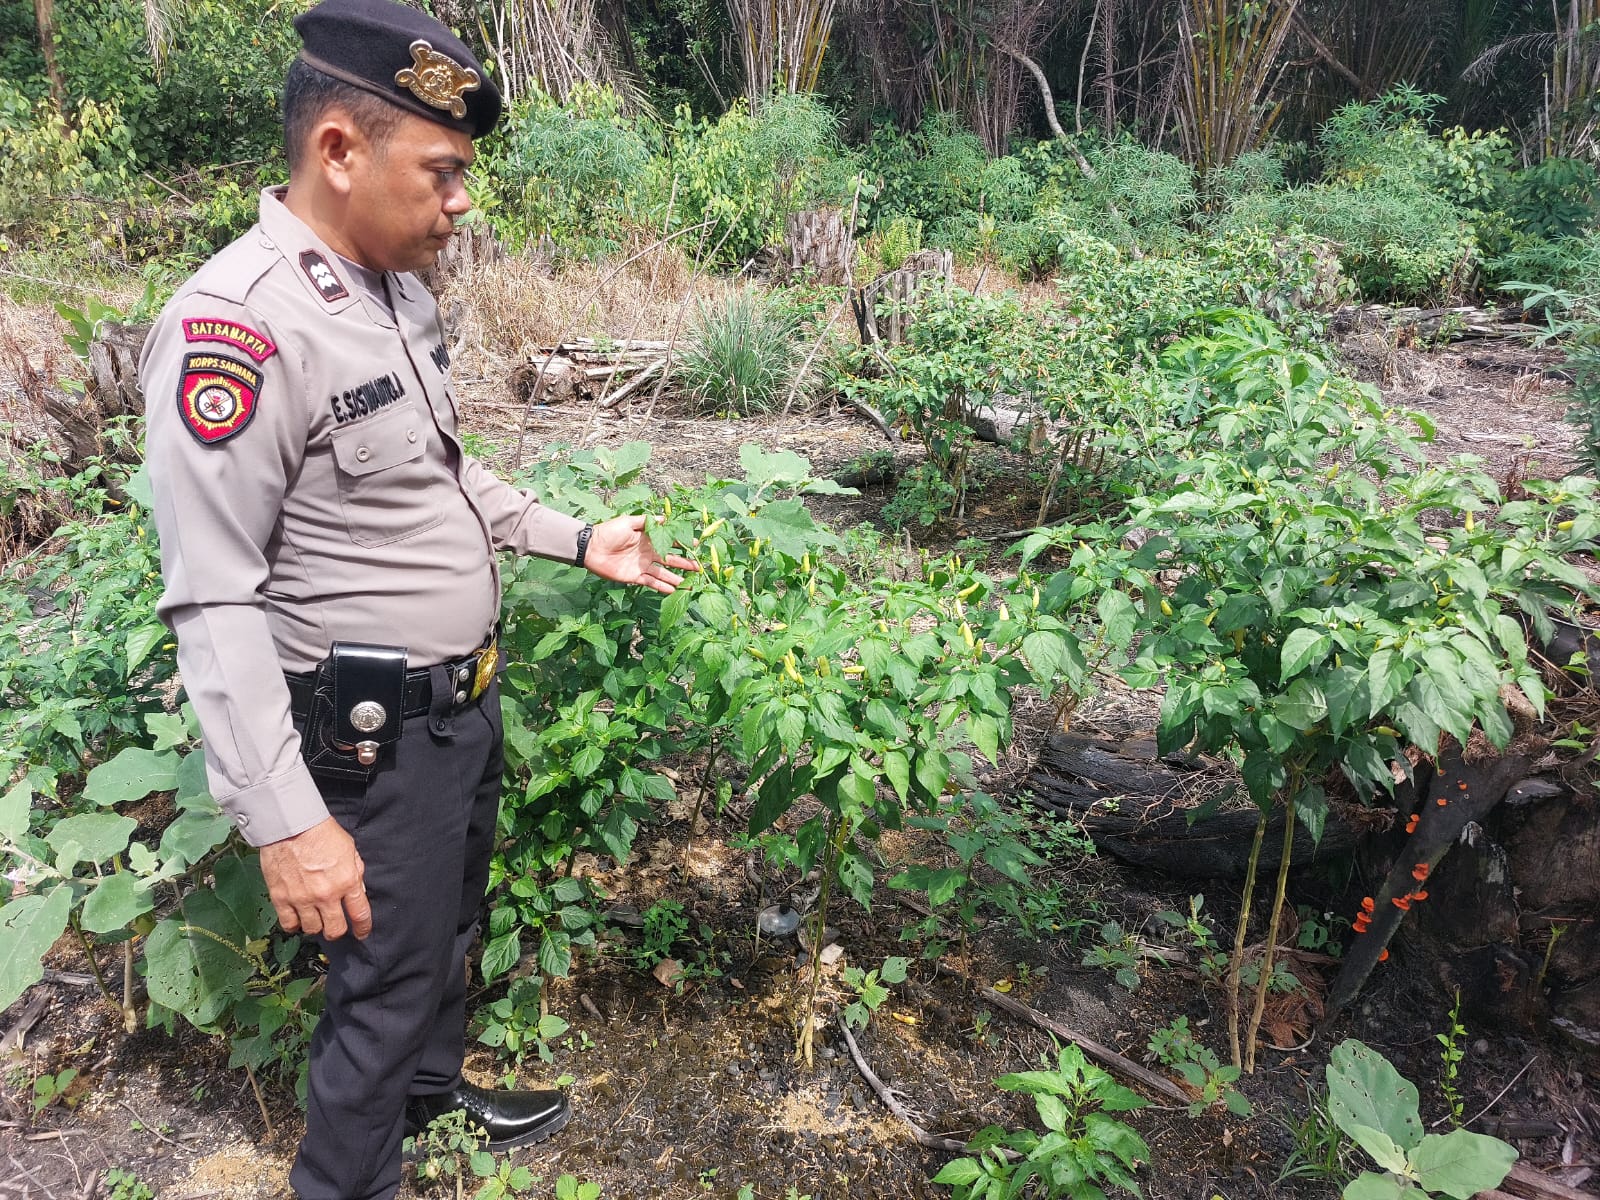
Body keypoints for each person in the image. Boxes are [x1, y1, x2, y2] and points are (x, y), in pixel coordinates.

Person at [139, 2, 694, 1196]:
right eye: (442, 173)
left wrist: (576, 537)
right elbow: (214, 599)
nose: (461, 202)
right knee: (381, 990)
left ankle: (434, 1100)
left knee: (447, 932)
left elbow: (441, 473)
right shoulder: (236, 328)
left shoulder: (386, 289)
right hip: (365, 737)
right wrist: (286, 821)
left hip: (453, 713)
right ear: (340, 150)